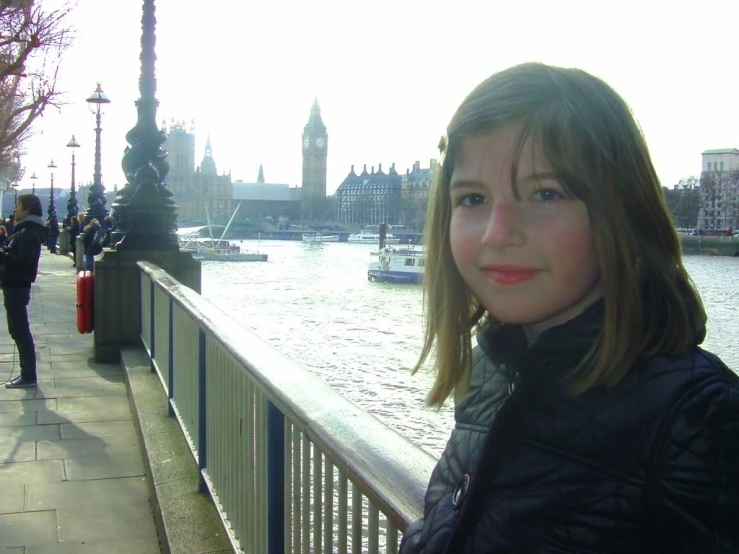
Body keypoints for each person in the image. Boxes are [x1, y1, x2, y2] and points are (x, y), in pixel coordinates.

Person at [399, 63, 739, 553]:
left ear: (620, 212)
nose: (497, 233)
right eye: (473, 198)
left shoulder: (700, 417)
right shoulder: (491, 372)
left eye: (544, 193)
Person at [1, 194, 45, 388]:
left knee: (20, 330)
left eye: (18, 205)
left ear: (27, 210)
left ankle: (28, 375)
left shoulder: (27, 233)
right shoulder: (24, 231)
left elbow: (24, 263)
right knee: (17, 329)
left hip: (17, 285)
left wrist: (2, 255)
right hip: (14, 285)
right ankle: (27, 374)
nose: (15, 209)